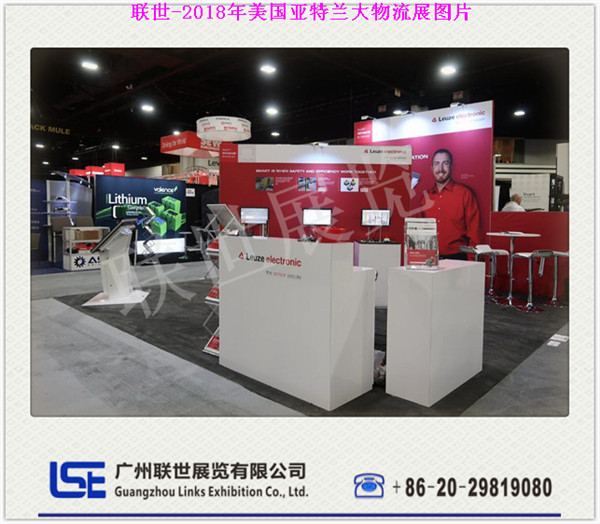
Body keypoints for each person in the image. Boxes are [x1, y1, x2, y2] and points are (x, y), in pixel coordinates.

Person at [419, 148, 482, 259]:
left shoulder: (465, 194)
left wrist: (473, 262)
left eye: (445, 163)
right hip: (430, 259)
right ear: (431, 168)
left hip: (458, 258)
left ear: (452, 167)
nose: (440, 169)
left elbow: (474, 233)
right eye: (436, 164)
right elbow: (419, 233)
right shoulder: (425, 198)